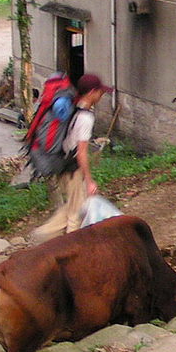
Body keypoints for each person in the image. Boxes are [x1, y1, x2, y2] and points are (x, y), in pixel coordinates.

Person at [32, 73, 112, 243]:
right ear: (92, 92)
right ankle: (63, 243)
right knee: (76, 214)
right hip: (72, 169)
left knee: (73, 206)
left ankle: (45, 237)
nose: (102, 95)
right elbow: (81, 152)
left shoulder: (74, 108)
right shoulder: (85, 118)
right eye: (100, 92)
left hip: (62, 164)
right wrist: (89, 181)